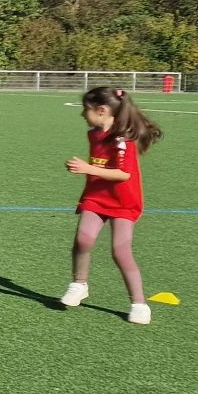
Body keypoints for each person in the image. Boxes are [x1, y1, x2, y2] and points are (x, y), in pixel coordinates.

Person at [62, 84, 162, 325]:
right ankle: (79, 284)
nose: (82, 114)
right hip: (96, 197)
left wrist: (87, 168)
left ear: (102, 110)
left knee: (120, 251)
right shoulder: (93, 133)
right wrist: (87, 170)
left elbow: (123, 174)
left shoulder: (122, 140)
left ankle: (139, 303)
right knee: (83, 239)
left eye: (85, 109)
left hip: (123, 202)